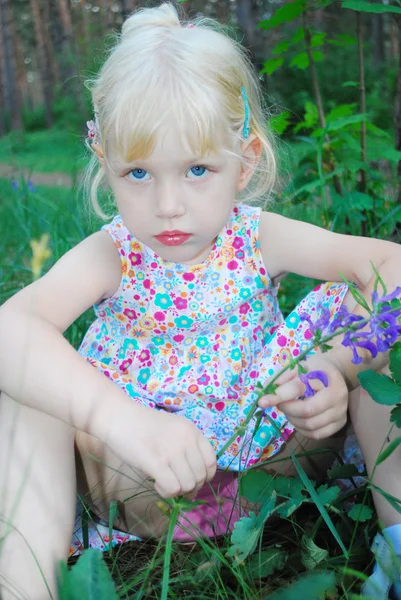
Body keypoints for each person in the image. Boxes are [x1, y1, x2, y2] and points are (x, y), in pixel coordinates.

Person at [0, 3, 401, 599]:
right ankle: (26, 586)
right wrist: (123, 421)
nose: (168, 205)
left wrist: (337, 364)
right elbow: (12, 332)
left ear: (244, 162)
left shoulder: (257, 236)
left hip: (268, 463)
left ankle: (398, 546)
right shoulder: (112, 253)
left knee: (374, 320)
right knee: (24, 385)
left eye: (196, 169)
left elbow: (390, 265)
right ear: (103, 161)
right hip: (137, 483)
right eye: (138, 173)